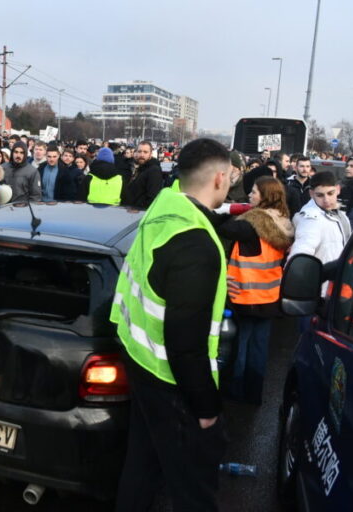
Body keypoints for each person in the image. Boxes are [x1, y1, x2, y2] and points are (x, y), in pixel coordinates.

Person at [111, 138, 230, 511]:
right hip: (172, 382)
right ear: (219, 179)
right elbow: (186, 343)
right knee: (193, 491)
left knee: (142, 469)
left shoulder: (165, 206)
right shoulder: (196, 245)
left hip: (140, 361)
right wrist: (206, 408)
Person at [218, 176, 293, 404]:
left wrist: (215, 206)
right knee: (259, 348)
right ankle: (254, 394)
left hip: (246, 295)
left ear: (265, 197)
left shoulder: (252, 225)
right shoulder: (283, 221)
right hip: (270, 296)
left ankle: (236, 391)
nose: (249, 195)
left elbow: (223, 226)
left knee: (240, 347)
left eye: (254, 192)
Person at [290, 171, 351, 296]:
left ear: (338, 190)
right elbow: (299, 256)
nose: (326, 200)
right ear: (311, 194)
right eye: (320, 195)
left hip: (333, 288)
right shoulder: (312, 219)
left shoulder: (339, 214)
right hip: (318, 292)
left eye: (330, 193)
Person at [123, 141, 163, 208]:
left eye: (145, 152)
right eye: (139, 151)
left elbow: (152, 198)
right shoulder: (142, 168)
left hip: (139, 213)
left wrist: (138, 208)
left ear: (151, 154)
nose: (142, 155)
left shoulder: (154, 171)